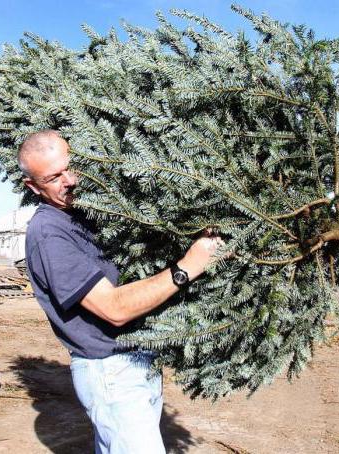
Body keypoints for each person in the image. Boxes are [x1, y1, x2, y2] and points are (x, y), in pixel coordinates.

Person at [18, 129, 222, 453]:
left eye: (72, 168)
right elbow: (113, 308)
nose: (69, 181)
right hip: (110, 372)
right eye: (54, 177)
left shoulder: (86, 210)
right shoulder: (48, 233)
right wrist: (188, 266)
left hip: (136, 361)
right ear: (32, 186)